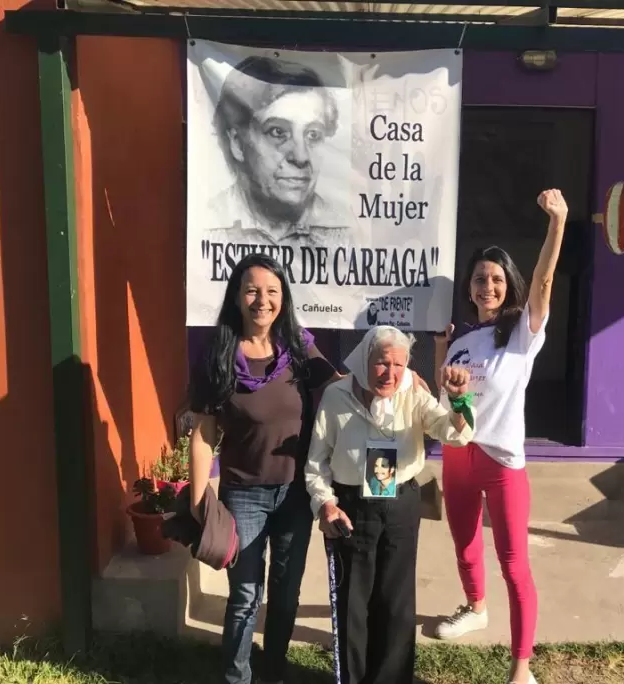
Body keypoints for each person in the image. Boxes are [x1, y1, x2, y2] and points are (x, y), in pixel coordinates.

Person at [432, 189, 569, 684]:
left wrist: (558, 223)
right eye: (478, 279)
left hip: (502, 460)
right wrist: (442, 355)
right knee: (464, 545)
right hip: (457, 456)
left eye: (495, 279)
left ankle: (522, 667)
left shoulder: (521, 332)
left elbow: (545, 280)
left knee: (514, 564)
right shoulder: (464, 340)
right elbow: (447, 401)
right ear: (468, 290)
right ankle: (475, 608)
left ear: (507, 286)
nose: (486, 286)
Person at [187, 253, 340, 684]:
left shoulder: (298, 346)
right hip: (244, 494)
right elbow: (203, 435)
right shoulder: (216, 355)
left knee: (286, 594)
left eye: (272, 291)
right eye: (252, 290)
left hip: (295, 493)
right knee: (245, 596)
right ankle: (237, 677)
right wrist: (200, 501)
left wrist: (401, 378)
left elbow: (341, 387)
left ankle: (273, 671)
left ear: (283, 298)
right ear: (237, 297)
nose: (263, 300)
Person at [304, 326, 475, 684]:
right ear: (364, 359)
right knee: (353, 602)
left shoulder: (412, 390)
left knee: (396, 603)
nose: (390, 373)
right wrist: (326, 505)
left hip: (400, 504)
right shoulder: (336, 396)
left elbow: (454, 433)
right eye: (382, 363)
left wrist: (460, 402)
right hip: (350, 508)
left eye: (399, 365)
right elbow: (316, 463)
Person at [208, 55, 354, 249]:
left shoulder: (346, 232)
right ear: (237, 143)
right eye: (278, 132)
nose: (300, 157)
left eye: (313, 135)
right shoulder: (208, 222)